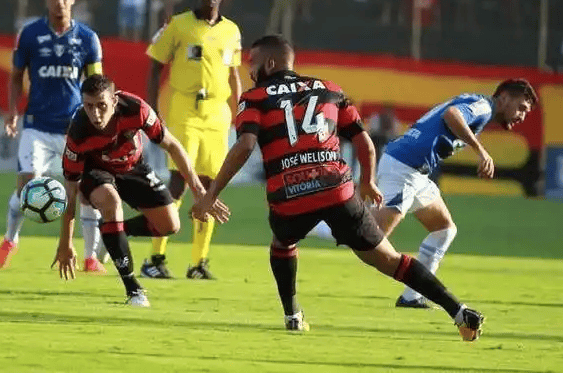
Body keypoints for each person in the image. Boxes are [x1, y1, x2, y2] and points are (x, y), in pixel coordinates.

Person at [191, 35, 484, 341]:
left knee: (282, 244)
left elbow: (244, 145)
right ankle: (459, 311)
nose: (250, 70)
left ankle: (293, 315)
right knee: (389, 259)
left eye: (253, 63)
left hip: (290, 194)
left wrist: (211, 195)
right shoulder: (330, 89)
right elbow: (363, 141)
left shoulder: (254, 98)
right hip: (337, 190)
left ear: (271, 63)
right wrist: (367, 180)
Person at [311, 78, 537, 308]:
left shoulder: (478, 104)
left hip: (416, 172)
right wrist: (481, 151)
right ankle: (315, 224)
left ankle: (412, 296)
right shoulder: (484, 107)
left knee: (444, 229)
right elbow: (451, 115)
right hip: (404, 168)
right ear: (504, 98)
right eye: (521, 108)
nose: (521, 116)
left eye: (525, 112)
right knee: (371, 237)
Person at [52, 76, 229, 306]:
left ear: (114, 101)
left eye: (101, 105)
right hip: (96, 171)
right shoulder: (78, 132)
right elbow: (71, 191)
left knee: (170, 226)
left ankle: (112, 233)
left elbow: (173, 146)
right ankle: (133, 288)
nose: (95, 114)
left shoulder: (137, 109)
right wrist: (65, 242)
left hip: (133, 167)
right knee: (111, 203)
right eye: (89, 106)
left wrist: (199, 192)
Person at [0, 0, 106, 273]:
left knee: (86, 190)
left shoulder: (88, 38)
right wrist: (13, 111)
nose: (59, 2)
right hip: (37, 126)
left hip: (74, 128)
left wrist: (98, 120)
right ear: (46, 0)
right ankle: (10, 241)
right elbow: (16, 76)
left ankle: (90, 257)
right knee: (27, 188)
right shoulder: (29, 35)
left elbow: (96, 84)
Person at [142, 0, 242, 280]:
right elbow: (155, 66)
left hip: (217, 113)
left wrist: (240, 111)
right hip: (184, 108)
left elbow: (234, 73)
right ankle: (155, 259)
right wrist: (152, 111)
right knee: (179, 182)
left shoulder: (232, 31)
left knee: (211, 186)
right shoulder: (178, 25)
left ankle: (198, 264)